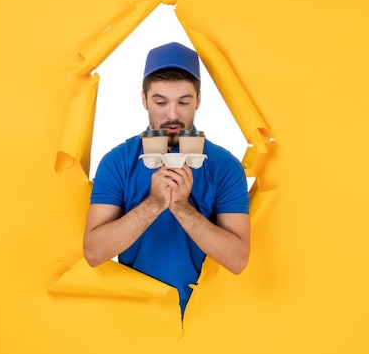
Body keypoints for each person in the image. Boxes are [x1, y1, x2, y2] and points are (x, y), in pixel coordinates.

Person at [83, 42, 251, 316]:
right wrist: (154, 204)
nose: (172, 114)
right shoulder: (117, 162)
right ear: (144, 100)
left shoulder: (225, 166)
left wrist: (182, 208)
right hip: (136, 316)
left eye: (183, 102)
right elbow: (94, 253)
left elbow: (238, 259)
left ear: (198, 100)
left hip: (207, 318)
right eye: (160, 102)